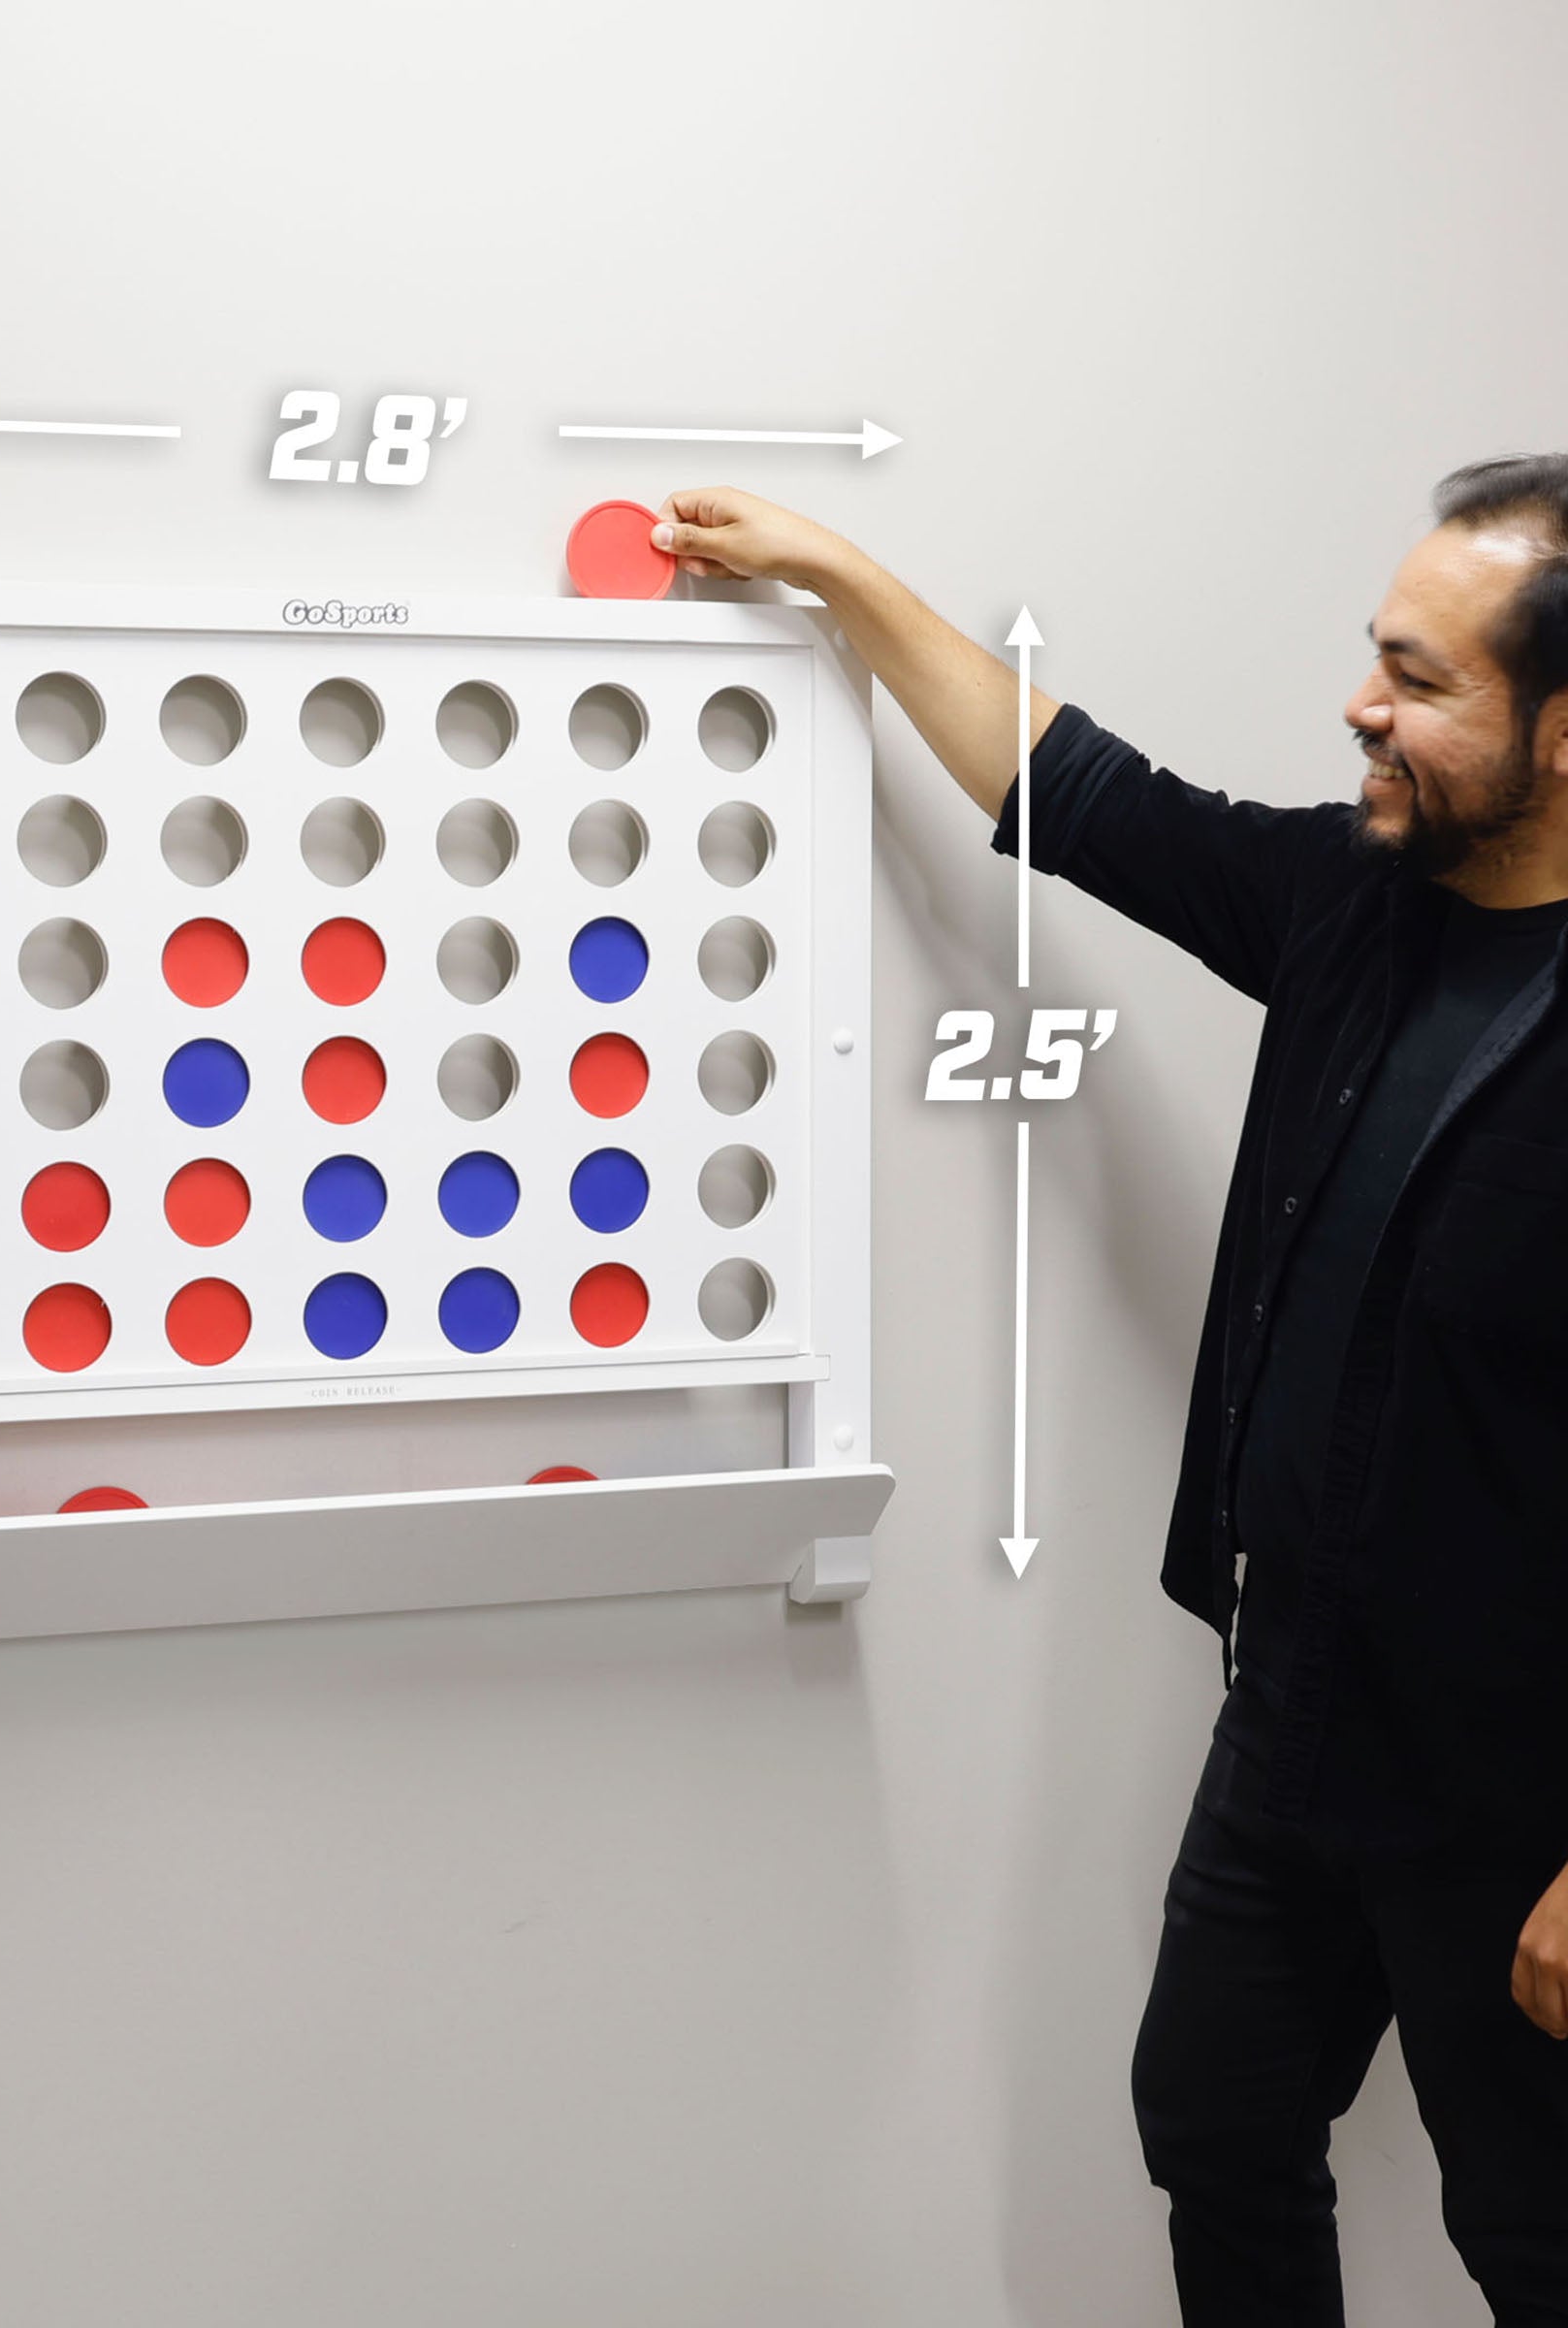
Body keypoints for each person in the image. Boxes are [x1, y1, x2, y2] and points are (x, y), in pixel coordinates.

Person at [652, 465, 1568, 2324]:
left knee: (1536, 2238)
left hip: (1518, 1780)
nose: (1361, 706)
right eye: (1374, 657)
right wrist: (832, 569)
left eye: (1419, 679)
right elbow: (1082, 795)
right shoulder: (1354, 904)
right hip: (1297, 1699)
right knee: (1215, 2124)